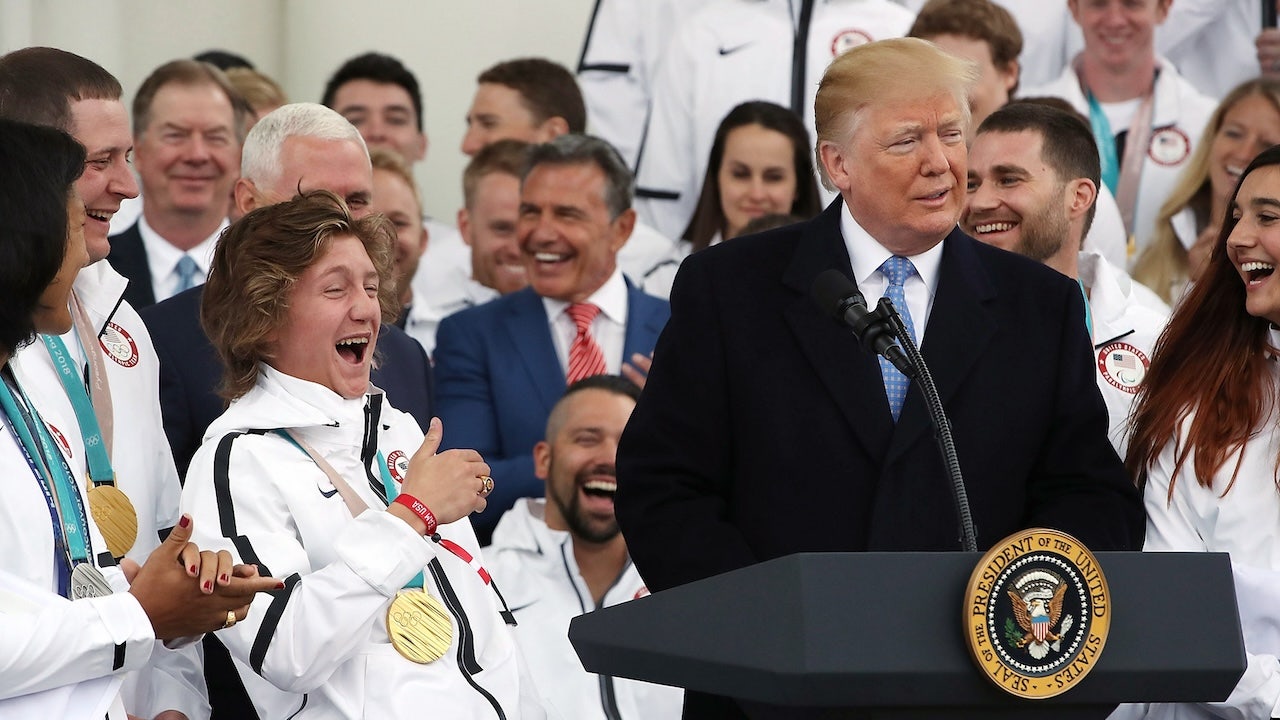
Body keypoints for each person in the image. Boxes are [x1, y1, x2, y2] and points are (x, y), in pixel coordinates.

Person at [614, 38, 1143, 719]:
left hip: (974, 695)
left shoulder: (1037, 305)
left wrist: (1020, 615)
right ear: (837, 163)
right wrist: (764, 622)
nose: (940, 163)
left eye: (952, 134)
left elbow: (1090, 496)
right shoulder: (730, 290)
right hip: (770, 692)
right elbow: (665, 487)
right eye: (905, 142)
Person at [182, 190, 541, 719]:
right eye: (336, 289)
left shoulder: (398, 427)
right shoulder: (238, 459)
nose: (366, 308)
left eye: (371, 287)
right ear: (265, 316)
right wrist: (410, 518)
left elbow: (489, 623)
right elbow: (283, 648)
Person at [0, 116, 278, 720]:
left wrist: (159, 592)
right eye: (72, 228)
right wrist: (139, 615)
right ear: (21, 241)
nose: (85, 259)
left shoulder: (21, 397)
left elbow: (56, 585)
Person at [0, 47, 211, 718]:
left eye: (128, 157)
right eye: (99, 163)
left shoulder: (126, 329)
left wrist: (174, 698)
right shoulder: (19, 345)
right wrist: (134, 616)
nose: (127, 185)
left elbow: (154, 538)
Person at [141, 102, 436, 482]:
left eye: (358, 201)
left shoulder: (406, 357)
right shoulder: (161, 343)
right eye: (316, 200)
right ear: (248, 202)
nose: (342, 218)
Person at [433, 134, 670, 544]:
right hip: (520, 580)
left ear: (622, 229)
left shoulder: (679, 328)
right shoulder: (471, 336)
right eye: (530, 212)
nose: (541, 233)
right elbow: (461, 488)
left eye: (567, 214)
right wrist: (582, 460)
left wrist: (668, 421)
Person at [1120, 144, 1280, 720]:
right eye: (1237, 217)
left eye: (1269, 217)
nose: (1237, 238)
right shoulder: (1196, 407)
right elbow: (1173, 607)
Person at [961, 102, 1168, 456]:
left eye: (1008, 179)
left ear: (1079, 197)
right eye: (971, 183)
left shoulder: (1156, 340)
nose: (979, 201)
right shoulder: (923, 319)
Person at [633, 0, 916, 239]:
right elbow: (662, 193)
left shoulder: (898, 30)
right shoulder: (704, 33)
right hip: (723, 267)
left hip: (859, 276)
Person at [488, 375, 683, 719]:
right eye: (588, 439)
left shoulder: (687, 586)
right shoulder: (481, 583)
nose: (611, 458)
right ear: (544, 459)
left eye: (629, 443)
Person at [456, 57, 676, 297]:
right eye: (528, 214)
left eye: (488, 124)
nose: (468, 144)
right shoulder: (447, 255)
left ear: (553, 134)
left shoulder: (651, 264)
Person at [1022, 0, 1216, 267]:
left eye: (1132, 4)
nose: (1115, 19)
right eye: (1098, 4)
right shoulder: (1026, 114)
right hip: (1061, 297)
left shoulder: (1207, 121)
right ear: (1074, 8)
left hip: (1175, 301)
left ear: (1163, 8)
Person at [322, 51, 472, 348]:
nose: (376, 133)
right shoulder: (301, 258)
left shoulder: (464, 259)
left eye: (395, 118)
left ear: (422, 143)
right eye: (355, 119)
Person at [642, 101, 822, 297]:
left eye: (773, 177)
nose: (756, 194)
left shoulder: (835, 281)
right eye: (740, 174)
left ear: (799, 186)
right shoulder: (669, 280)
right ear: (716, 178)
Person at [107, 59, 245, 309]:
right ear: (138, 150)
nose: (197, 155)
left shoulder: (267, 274)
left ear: (239, 154)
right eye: (175, 135)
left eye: (216, 137)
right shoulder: (94, 272)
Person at [1134, 78, 1280, 304]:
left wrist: (1210, 288)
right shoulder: (1168, 234)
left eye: (1266, 143)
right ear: (1212, 139)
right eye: (1234, 133)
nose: (1244, 153)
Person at [908, 0, 1021, 138]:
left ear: (1009, 73)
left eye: (967, 75)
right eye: (935, 76)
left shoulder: (1045, 155)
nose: (951, 95)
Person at [368, 148, 429, 332]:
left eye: (398, 223)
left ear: (423, 240)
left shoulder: (455, 330)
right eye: (367, 221)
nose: (383, 238)